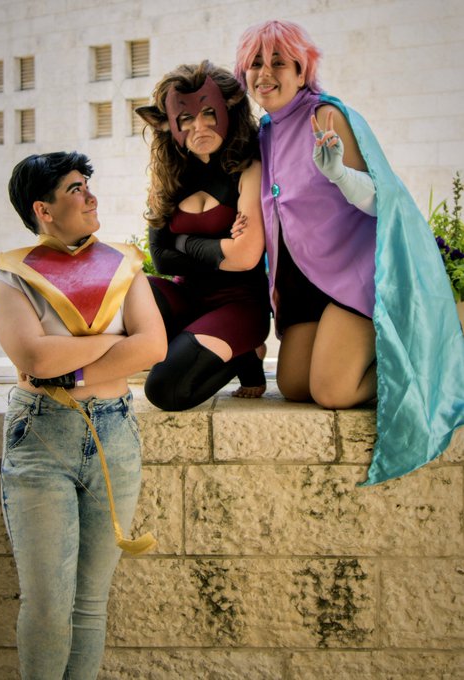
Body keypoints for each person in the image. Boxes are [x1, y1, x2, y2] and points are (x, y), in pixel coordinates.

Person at [234, 19, 464, 485]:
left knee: (333, 391)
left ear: (302, 70)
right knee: (295, 385)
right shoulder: (266, 132)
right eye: (255, 63)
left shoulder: (326, 116)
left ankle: (428, 361)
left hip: (352, 278)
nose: (265, 72)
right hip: (304, 286)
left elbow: (383, 201)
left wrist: (339, 174)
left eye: (278, 62)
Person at [0, 152, 167, 679]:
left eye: (87, 185)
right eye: (75, 189)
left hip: (114, 433)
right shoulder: (10, 276)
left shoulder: (123, 264)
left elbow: (153, 346)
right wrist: (116, 341)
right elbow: (35, 358)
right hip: (41, 436)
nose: (91, 197)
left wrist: (75, 371)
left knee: (90, 604)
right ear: (43, 210)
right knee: (48, 607)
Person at [135, 60, 271, 411]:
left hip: (239, 305)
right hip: (187, 298)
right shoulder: (168, 177)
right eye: (186, 118)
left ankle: (244, 354)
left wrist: (182, 242)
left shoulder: (248, 168)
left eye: (209, 113)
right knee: (131, 291)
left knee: (164, 390)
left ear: (228, 110)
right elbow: (161, 259)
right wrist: (220, 250)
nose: (200, 126)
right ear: (169, 124)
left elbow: (246, 257)